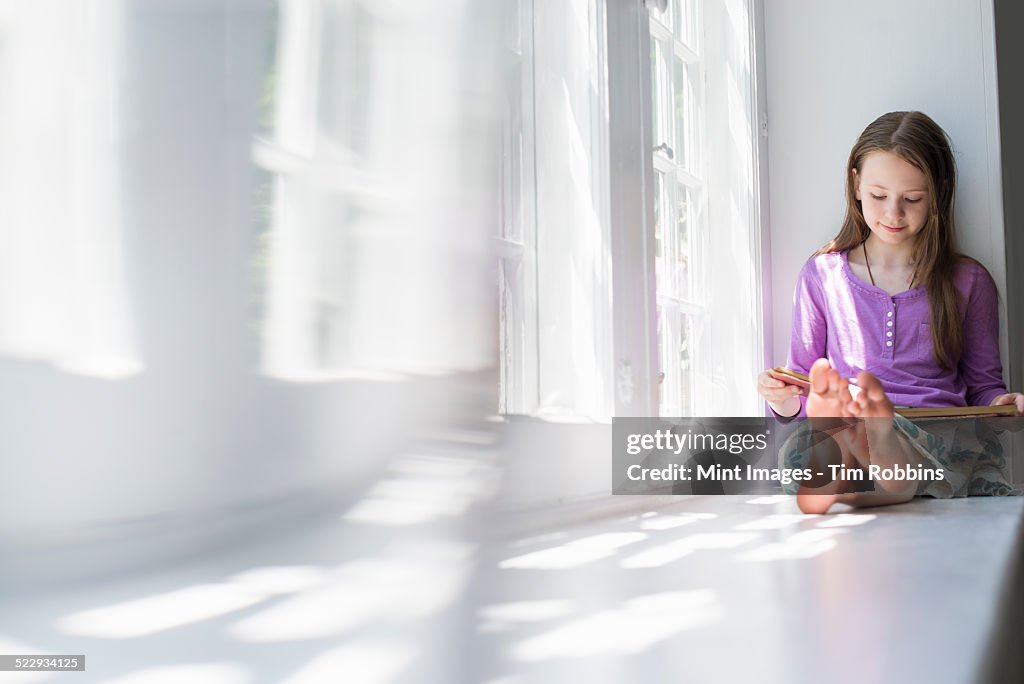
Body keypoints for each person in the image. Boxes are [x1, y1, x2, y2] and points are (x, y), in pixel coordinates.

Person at [756, 111, 1024, 514]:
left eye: (912, 199)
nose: (893, 214)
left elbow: (984, 387)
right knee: (819, 439)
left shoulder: (968, 281)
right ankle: (848, 449)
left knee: (896, 449)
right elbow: (807, 385)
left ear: (939, 193)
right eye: (879, 196)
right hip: (846, 425)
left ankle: (856, 458)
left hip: (935, 435)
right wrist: (781, 399)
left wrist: (1004, 405)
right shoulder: (823, 274)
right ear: (856, 185)